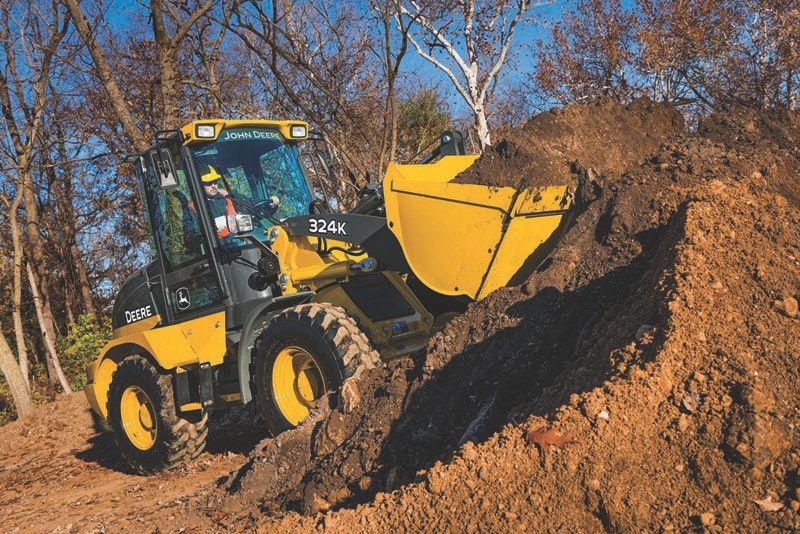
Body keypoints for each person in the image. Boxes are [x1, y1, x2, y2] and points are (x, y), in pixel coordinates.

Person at [201, 165, 236, 239]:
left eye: (215, 181)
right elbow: (193, 236)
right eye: (209, 183)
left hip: (241, 241)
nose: (213, 186)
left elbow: (250, 206)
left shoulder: (230, 195)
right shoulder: (194, 209)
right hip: (219, 247)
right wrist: (211, 232)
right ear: (199, 185)